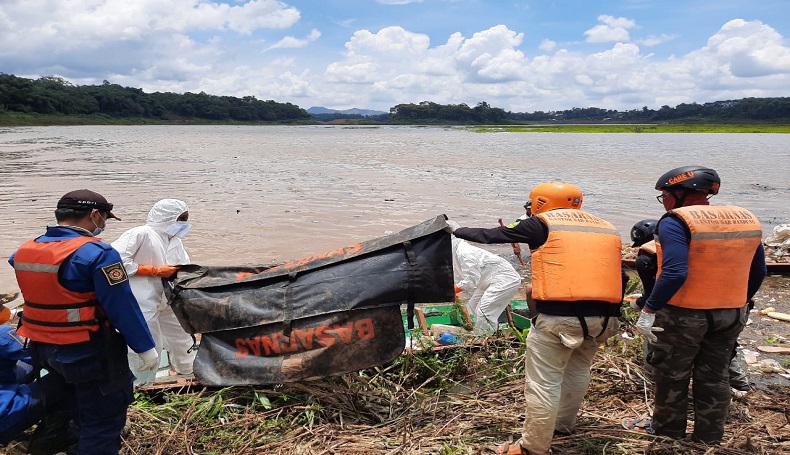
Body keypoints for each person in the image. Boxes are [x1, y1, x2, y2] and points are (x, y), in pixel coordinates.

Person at [447, 182, 627, 455]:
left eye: (532, 204)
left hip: (559, 318)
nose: (530, 209)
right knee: (578, 370)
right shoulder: (605, 226)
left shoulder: (542, 223)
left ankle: (532, 447)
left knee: (544, 382)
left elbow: (493, 234)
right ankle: (564, 425)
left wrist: (456, 230)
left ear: (541, 203)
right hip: (603, 319)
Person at [9, 189, 158, 455]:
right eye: (104, 219)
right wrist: (145, 348)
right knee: (103, 421)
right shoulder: (99, 254)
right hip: (89, 351)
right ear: (94, 215)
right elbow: (122, 306)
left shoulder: (25, 250)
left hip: (43, 348)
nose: (103, 225)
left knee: (72, 402)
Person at [630, 166, 766, 444]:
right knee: (715, 376)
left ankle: (668, 433)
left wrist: (649, 309)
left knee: (672, 375)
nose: (664, 200)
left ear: (680, 193)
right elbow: (760, 270)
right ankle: (709, 436)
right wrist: (739, 299)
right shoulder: (745, 219)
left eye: (665, 194)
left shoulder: (675, 221)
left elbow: (674, 272)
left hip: (684, 316)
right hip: (730, 315)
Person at [628, 219, 752, 392]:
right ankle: (741, 384)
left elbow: (654, 293)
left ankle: (653, 382)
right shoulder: (690, 244)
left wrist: (640, 306)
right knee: (722, 355)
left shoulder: (646, 256)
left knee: (656, 345)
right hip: (728, 307)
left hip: (684, 312)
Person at [111, 199, 196, 385]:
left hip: (169, 298)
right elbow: (113, 263)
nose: (185, 223)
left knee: (182, 338)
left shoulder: (175, 241)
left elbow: (184, 268)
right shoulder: (141, 234)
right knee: (148, 347)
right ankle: (141, 386)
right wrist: (155, 271)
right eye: (182, 219)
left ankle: (187, 374)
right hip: (141, 301)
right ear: (168, 217)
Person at [451, 236, 521, 333]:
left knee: (483, 312)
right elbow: (459, 275)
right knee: (472, 305)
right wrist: (455, 291)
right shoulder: (455, 253)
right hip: (489, 280)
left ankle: (486, 338)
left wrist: (454, 290)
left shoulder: (464, 252)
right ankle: (482, 332)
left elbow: (472, 279)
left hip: (505, 280)